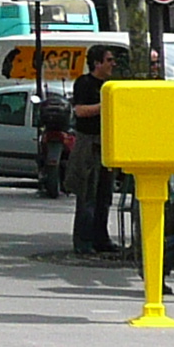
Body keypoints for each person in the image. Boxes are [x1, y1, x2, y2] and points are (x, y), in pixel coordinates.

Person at [72, 46, 119, 255]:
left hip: (108, 143)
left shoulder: (112, 85)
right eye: (109, 60)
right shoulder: (84, 83)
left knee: (105, 194)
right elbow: (80, 111)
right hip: (89, 143)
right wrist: (104, 105)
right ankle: (83, 241)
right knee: (87, 193)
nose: (112, 64)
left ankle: (102, 238)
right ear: (97, 63)